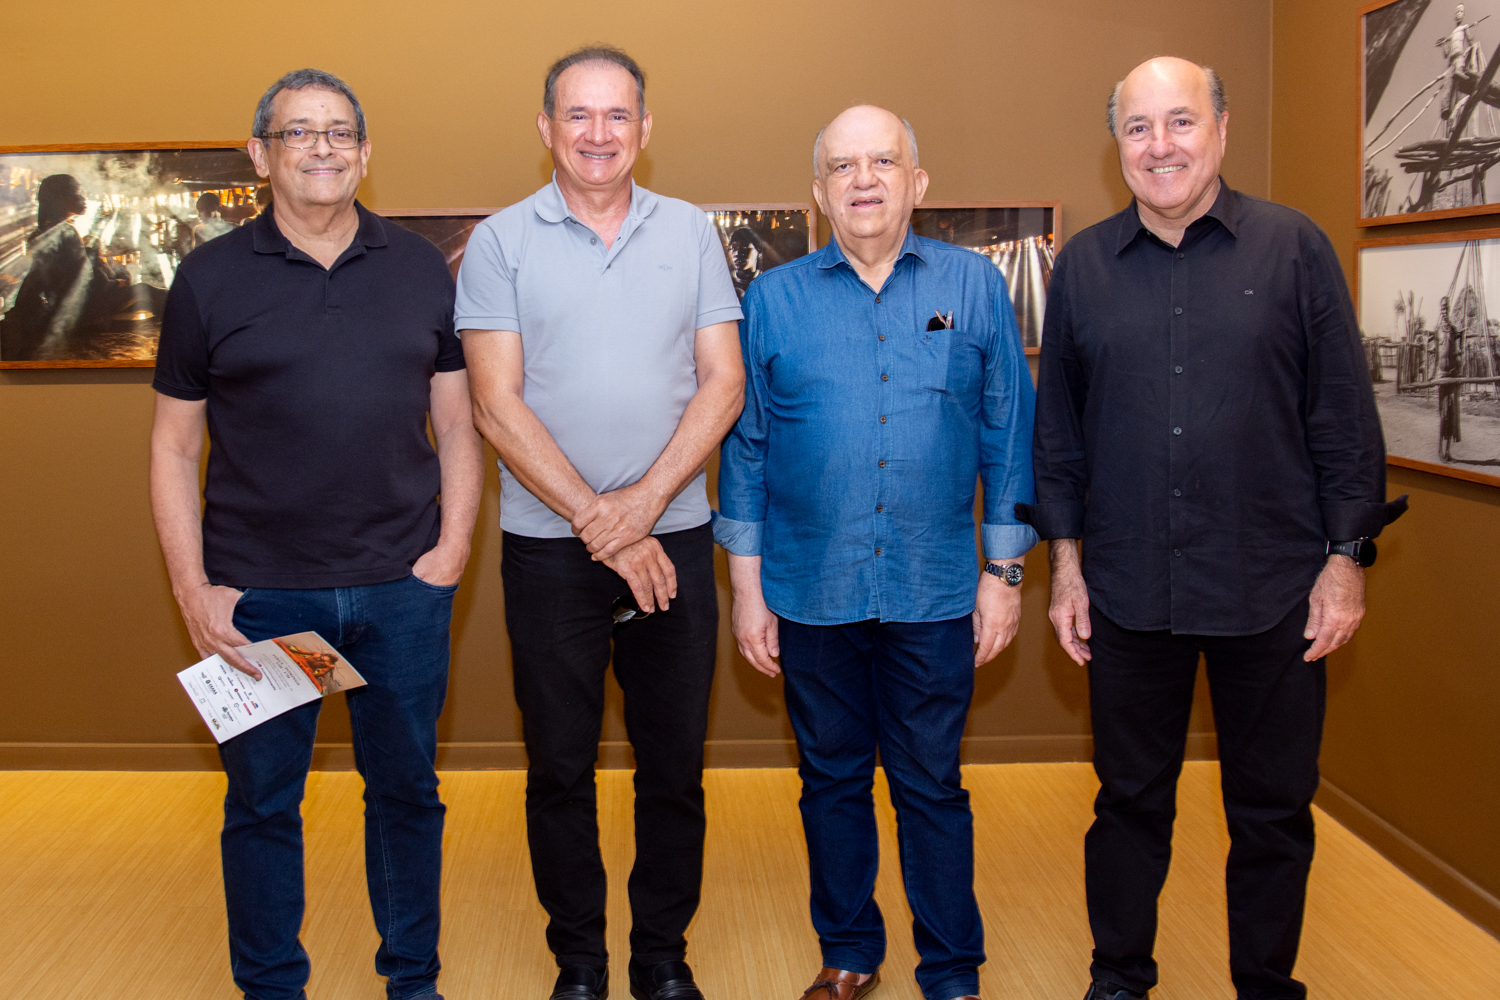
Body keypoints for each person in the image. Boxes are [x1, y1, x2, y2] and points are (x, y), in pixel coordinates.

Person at [1021, 58, 1406, 1000]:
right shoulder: (1084, 268)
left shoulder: (1295, 248)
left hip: (1274, 588)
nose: (1161, 146)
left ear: (1222, 130)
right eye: (1139, 127)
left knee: (1272, 811)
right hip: (1127, 589)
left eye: (1181, 122)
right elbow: (1059, 434)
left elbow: (1344, 422)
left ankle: (1265, 984)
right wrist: (1066, 567)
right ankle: (1120, 977)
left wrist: (1346, 563)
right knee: (1128, 804)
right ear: (1118, 146)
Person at [149, 68, 483, 1000]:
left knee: (407, 796)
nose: (322, 147)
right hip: (263, 600)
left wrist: (451, 550)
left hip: (400, 594)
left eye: (339, 131)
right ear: (260, 156)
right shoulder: (209, 278)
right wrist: (193, 588)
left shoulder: (418, 267)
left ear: (365, 152)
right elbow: (174, 448)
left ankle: (412, 981)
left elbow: (458, 424)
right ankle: (271, 989)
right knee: (264, 805)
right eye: (298, 132)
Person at [715, 104, 1038, 1000]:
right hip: (809, 590)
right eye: (843, 167)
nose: (864, 180)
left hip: (937, 589)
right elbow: (746, 452)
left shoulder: (974, 286)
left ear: (916, 182)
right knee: (831, 782)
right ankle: (850, 950)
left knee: (932, 783)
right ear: (819, 193)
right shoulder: (772, 301)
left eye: (883, 162)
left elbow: (1009, 435)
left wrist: (1005, 575)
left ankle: (952, 969)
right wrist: (746, 590)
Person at [455, 46, 744, 1000]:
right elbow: (494, 404)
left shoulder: (690, 232)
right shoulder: (500, 242)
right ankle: (579, 961)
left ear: (645, 129)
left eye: (617, 115)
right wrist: (602, 521)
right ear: (545, 127)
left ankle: (661, 955)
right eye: (577, 114)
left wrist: (644, 506)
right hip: (549, 550)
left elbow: (724, 382)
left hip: (676, 537)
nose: (598, 133)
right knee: (559, 767)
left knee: (673, 765)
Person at [1438, 296, 1464, 460]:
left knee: (1451, 413)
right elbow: (1435, 354)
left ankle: (1448, 451)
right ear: (1439, 310)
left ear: (1448, 309)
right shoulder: (1438, 330)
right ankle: (1440, 449)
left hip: (1452, 375)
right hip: (1442, 377)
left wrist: (1458, 364)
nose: (1444, 310)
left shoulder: (1453, 330)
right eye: (1442, 308)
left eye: (1446, 308)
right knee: (1443, 414)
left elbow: (1457, 352)